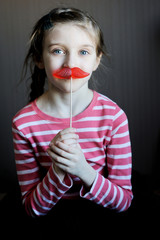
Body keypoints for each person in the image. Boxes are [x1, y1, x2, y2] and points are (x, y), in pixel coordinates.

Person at [12, 7, 133, 225]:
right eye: (58, 50)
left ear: (97, 60)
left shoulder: (114, 117)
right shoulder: (23, 124)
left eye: (83, 52)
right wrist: (57, 171)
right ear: (39, 59)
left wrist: (82, 170)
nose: (70, 64)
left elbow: (123, 201)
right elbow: (31, 209)